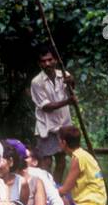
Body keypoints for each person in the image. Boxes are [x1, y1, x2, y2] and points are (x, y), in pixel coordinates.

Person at [30, 45, 75, 180]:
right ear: (39, 64)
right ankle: (45, 192)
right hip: (46, 127)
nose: (47, 63)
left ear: (55, 60)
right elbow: (46, 107)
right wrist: (68, 102)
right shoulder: (36, 82)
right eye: (43, 61)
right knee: (46, 162)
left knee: (61, 161)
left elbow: (70, 91)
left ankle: (56, 190)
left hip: (63, 126)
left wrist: (72, 83)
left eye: (49, 60)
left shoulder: (64, 75)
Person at [57, 125, 107, 205]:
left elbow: (65, 190)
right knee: (55, 187)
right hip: (95, 204)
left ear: (64, 142)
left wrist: (46, 195)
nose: (58, 143)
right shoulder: (82, 154)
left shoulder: (78, 158)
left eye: (59, 141)